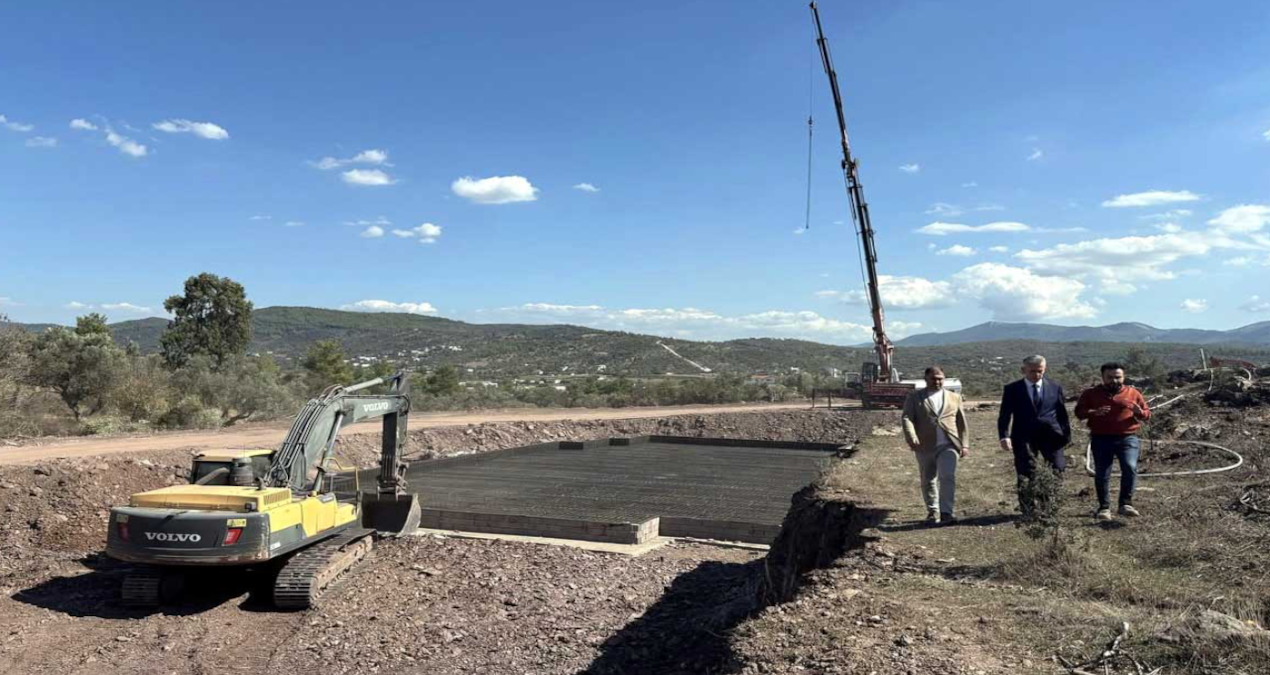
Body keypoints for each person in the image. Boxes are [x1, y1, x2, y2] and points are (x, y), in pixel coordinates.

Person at [1075, 362, 1151, 521]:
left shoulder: (1133, 393)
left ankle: (1126, 504)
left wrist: (1140, 413)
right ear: (1102, 377)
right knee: (1102, 472)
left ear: (1123, 377)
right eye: (1110, 377)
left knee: (1130, 467)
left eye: (1118, 377)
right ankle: (1104, 507)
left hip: (1127, 437)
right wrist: (1094, 412)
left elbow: (1147, 414)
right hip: (1101, 438)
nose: (1114, 380)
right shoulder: (1091, 394)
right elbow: (1079, 412)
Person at [997, 355, 1072, 515]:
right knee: (1026, 471)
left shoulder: (1055, 387)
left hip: (1051, 436)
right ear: (1023, 370)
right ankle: (1028, 509)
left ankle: (1049, 507)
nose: (1036, 374)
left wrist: (1066, 435)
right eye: (1032, 371)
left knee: (1057, 468)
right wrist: (1004, 436)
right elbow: (1004, 415)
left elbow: (1062, 413)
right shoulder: (1012, 389)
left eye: (1040, 371)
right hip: (1023, 436)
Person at [901, 366, 970, 526]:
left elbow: (962, 422)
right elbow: (907, 418)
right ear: (926, 379)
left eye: (940, 379)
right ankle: (933, 511)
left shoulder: (954, 397)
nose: (937, 382)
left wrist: (965, 444)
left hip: (949, 445)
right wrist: (911, 437)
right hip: (924, 445)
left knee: (947, 477)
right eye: (934, 379)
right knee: (928, 479)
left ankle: (946, 512)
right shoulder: (915, 397)